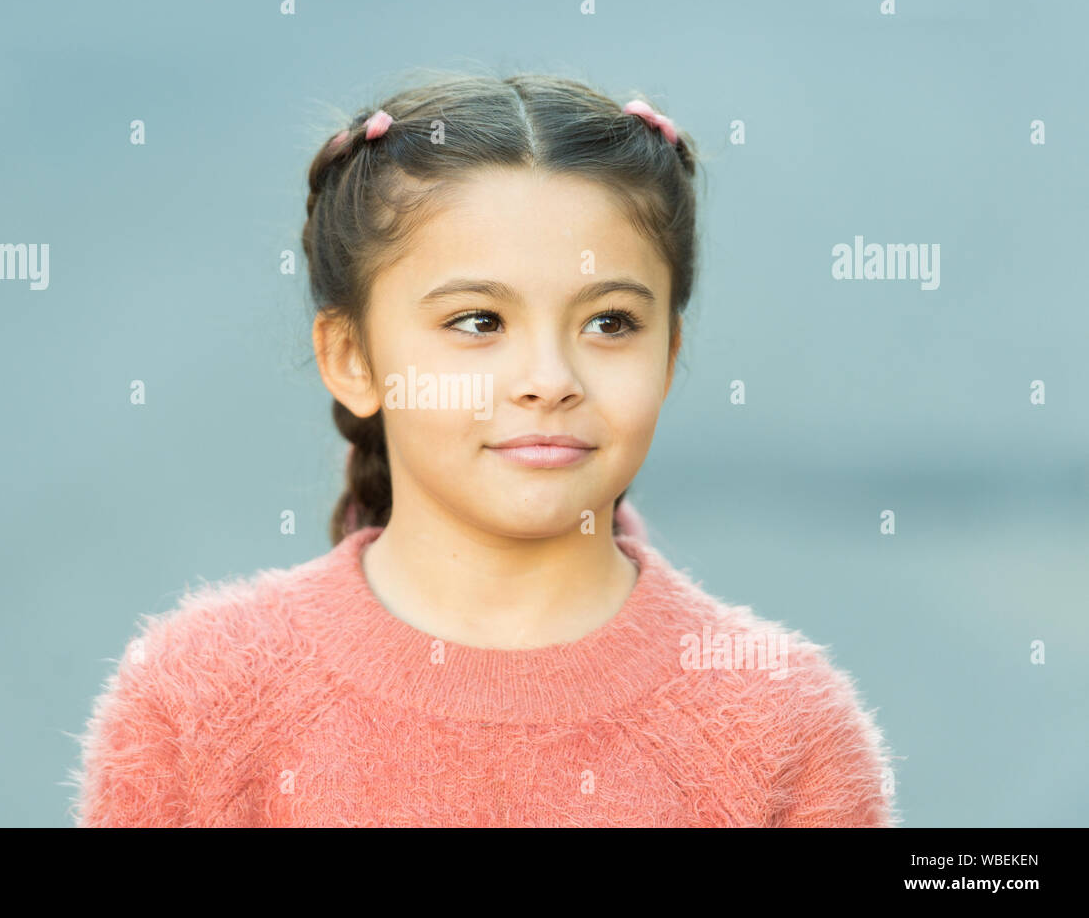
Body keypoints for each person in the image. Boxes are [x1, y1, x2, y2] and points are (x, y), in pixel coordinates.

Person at [69, 71, 900, 827]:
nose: (549, 379)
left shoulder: (783, 723)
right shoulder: (199, 698)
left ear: (670, 353)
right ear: (352, 358)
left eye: (610, 322)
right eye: (479, 322)